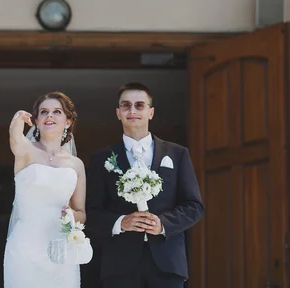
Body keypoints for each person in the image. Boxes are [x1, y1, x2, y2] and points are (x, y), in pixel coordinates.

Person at [86, 82, 204, 288]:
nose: (132, 110)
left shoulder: (177, 154)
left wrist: (163, 224)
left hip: (168, 263)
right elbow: (92, 212)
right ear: (118, 113)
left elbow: (194, 206)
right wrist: (121, 223)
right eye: (126, 105)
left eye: (139, 105)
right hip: (119, 265)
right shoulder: (101, 158)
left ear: (150, 112)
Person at [4, 92, 87, 288]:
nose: (49, 116)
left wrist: (70, 215)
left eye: (56, 112)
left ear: (67, 122)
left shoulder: (76, 165)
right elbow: (15, 137)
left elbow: (81, 213)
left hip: (61, 249)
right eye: (44, 112)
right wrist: (17, 118)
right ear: (37, 121)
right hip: (25, 247)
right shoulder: (25, 150)